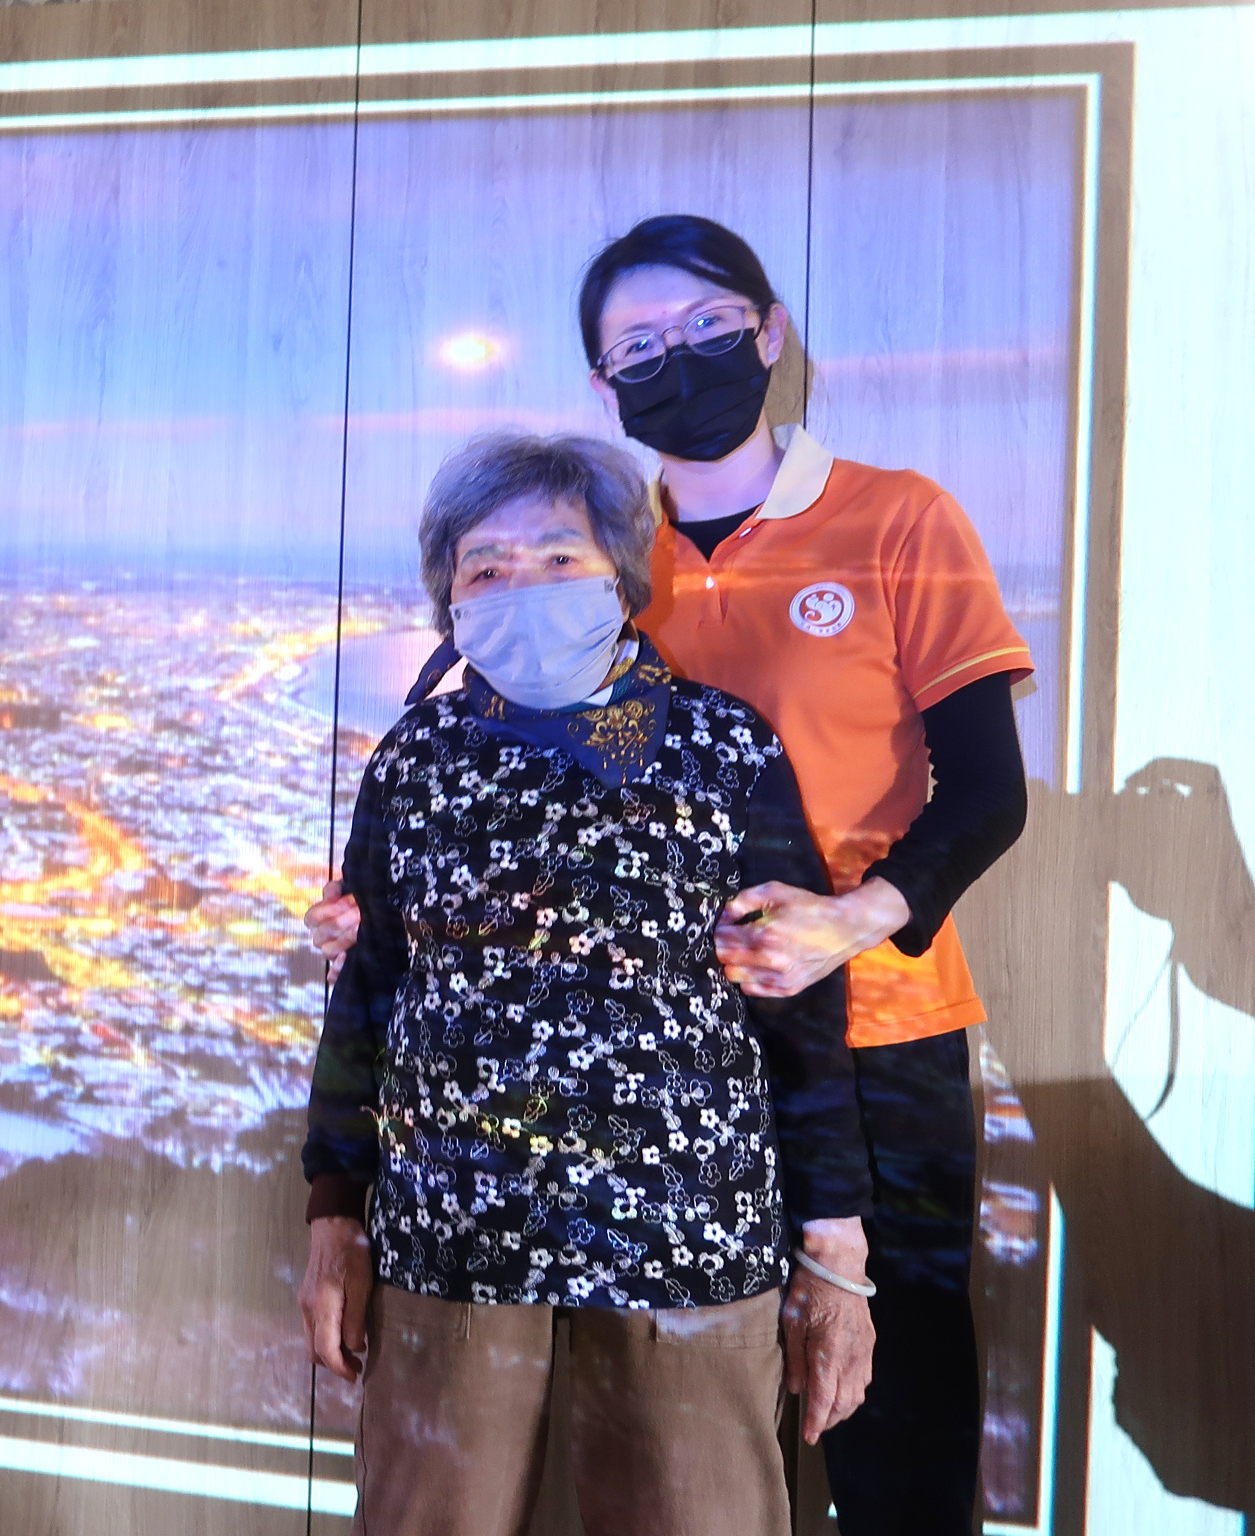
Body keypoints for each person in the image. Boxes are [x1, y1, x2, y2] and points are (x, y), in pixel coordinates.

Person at [306, 214, 1032, 1535]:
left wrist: (848, 921)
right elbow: (528, 756)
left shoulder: (893, 517)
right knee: (673, 1437)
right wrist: (399, 904)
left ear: (770, 332)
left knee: (891, 1418)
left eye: (707, 326)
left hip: (871, 1028)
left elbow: (986, 789)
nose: (677, 358)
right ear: (604, 382)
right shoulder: (593, 534)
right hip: (641, 1084)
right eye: (638, 344)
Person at [298, 431, 877, 1536]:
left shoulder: (721, 747)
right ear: (449, 602)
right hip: (449, 1233)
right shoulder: (415, 760)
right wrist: (335, 1214)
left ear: (621, 571)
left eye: (559, 557)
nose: (522, 585)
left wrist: (837, 1252)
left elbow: (802, 1013)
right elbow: (367, 994)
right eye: (485, 567)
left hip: (686, 1239)